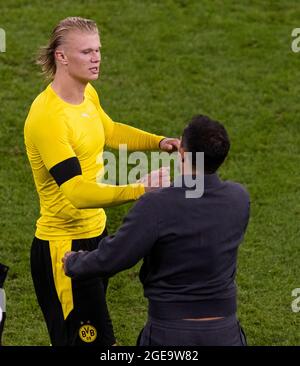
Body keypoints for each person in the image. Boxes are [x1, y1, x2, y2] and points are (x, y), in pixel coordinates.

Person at [24, 16, 178, 346]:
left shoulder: (86, 94)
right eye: (86, 52)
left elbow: (108, 130)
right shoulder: (48, 118)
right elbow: (76, 192)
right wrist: (140, 188)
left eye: (98, 50)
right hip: (63, 249)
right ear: (61, 57)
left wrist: (159, 141)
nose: (96, 58)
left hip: (95, 238)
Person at [63, 114, 250, 346]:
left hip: (170, 334)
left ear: (182, 153)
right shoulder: (239, 198)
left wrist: (74, 262)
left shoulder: (157, 206)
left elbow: (114, 257)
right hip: (226, 333)